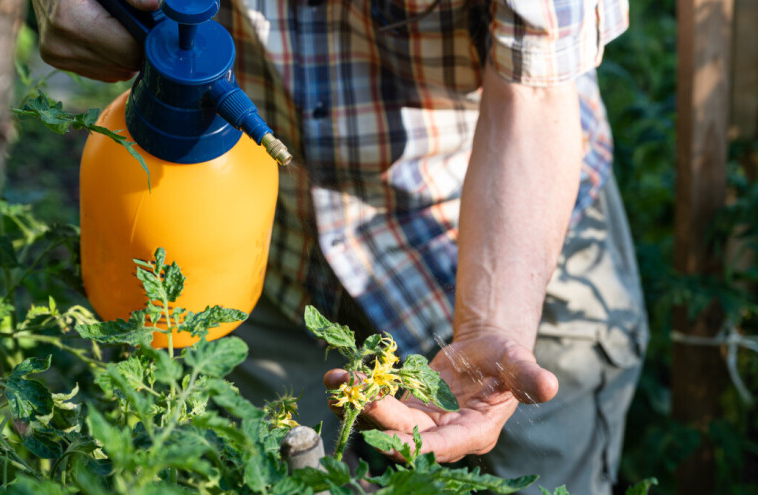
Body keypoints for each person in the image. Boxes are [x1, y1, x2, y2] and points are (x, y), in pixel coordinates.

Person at [32, 0, 648, 493]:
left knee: (538, 475)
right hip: (253, 242)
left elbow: (533, 95)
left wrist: (488, 326)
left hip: (500, 234)